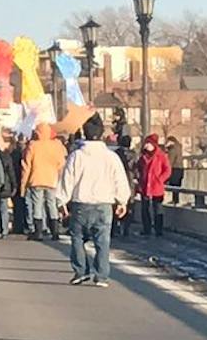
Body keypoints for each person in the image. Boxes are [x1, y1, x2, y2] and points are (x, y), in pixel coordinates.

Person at [56, 115, 132, 287]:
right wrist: (122, 201)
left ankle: (81, 271)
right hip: (104, 204)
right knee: (102, 240)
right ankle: (102, 275)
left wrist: (61, 202)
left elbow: (67, 180)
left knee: (77, 238)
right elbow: (120, 179)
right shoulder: (111, 157)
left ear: (84, 133)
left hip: (81, 204)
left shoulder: (77, 156)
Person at [20, 123, 66, 241]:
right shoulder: (56, 145)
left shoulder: (33, 145)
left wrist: (23, 185)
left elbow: (26, 166)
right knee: (52, 204)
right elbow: (61, 163)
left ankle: (38, 232)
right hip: (52, 179)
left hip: (36, 179)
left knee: (37, 205)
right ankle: (55, 231)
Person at [136, 134, 173, 237]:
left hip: (156, 186)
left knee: (158, 208)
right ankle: (146, 228)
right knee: (145, 208)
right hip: (145, 186)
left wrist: (160, 179)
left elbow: (168, 170)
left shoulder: (161, 156)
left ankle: (158, 230)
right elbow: (138, 168)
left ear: (153, 145)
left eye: (148, 143)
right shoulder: (142, 156)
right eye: (145, 143)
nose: (146, 145)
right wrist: (139, 179)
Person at [164, 135, 185, 203]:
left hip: (174, 168)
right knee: (177, 185)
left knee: (173, 184)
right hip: (180, 168)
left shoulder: (172, 149)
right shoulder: (179, 147)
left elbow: (170, 160)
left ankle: (175, 200)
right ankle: (176, 200)